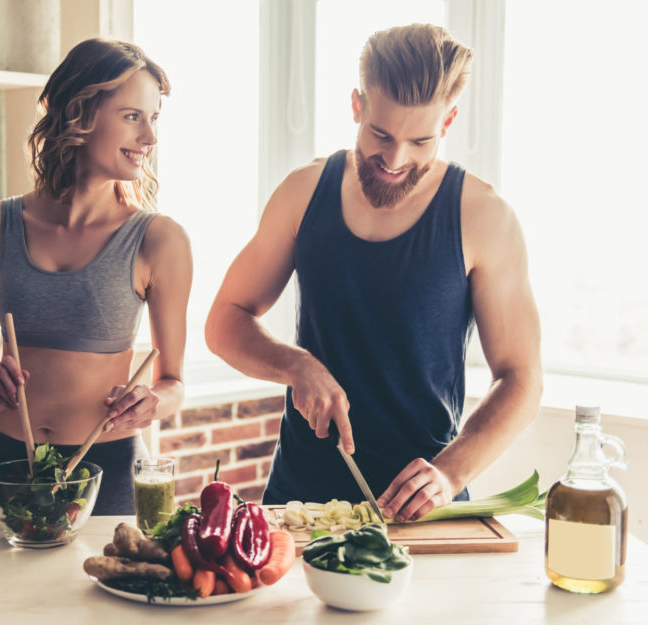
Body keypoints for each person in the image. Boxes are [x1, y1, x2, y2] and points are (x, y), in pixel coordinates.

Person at [205, 24, 542, 523]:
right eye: (380, 135)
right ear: (357, 106)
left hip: (419, 511)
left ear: (447, 122)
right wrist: (294, 364)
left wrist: (450, 473)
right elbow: (224, 321)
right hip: (298, 503)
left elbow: (522, 378)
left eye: (420, 141)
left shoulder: (484, 216)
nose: (395, 159)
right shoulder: (302, 193)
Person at [0, 38, 192, 516]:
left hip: (105, 468)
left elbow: (173, 382)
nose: (149, 137)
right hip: (5, 464)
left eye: (154, 119)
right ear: (79, 113)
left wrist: (152, 403)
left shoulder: (159, 240)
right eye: (133, 116)